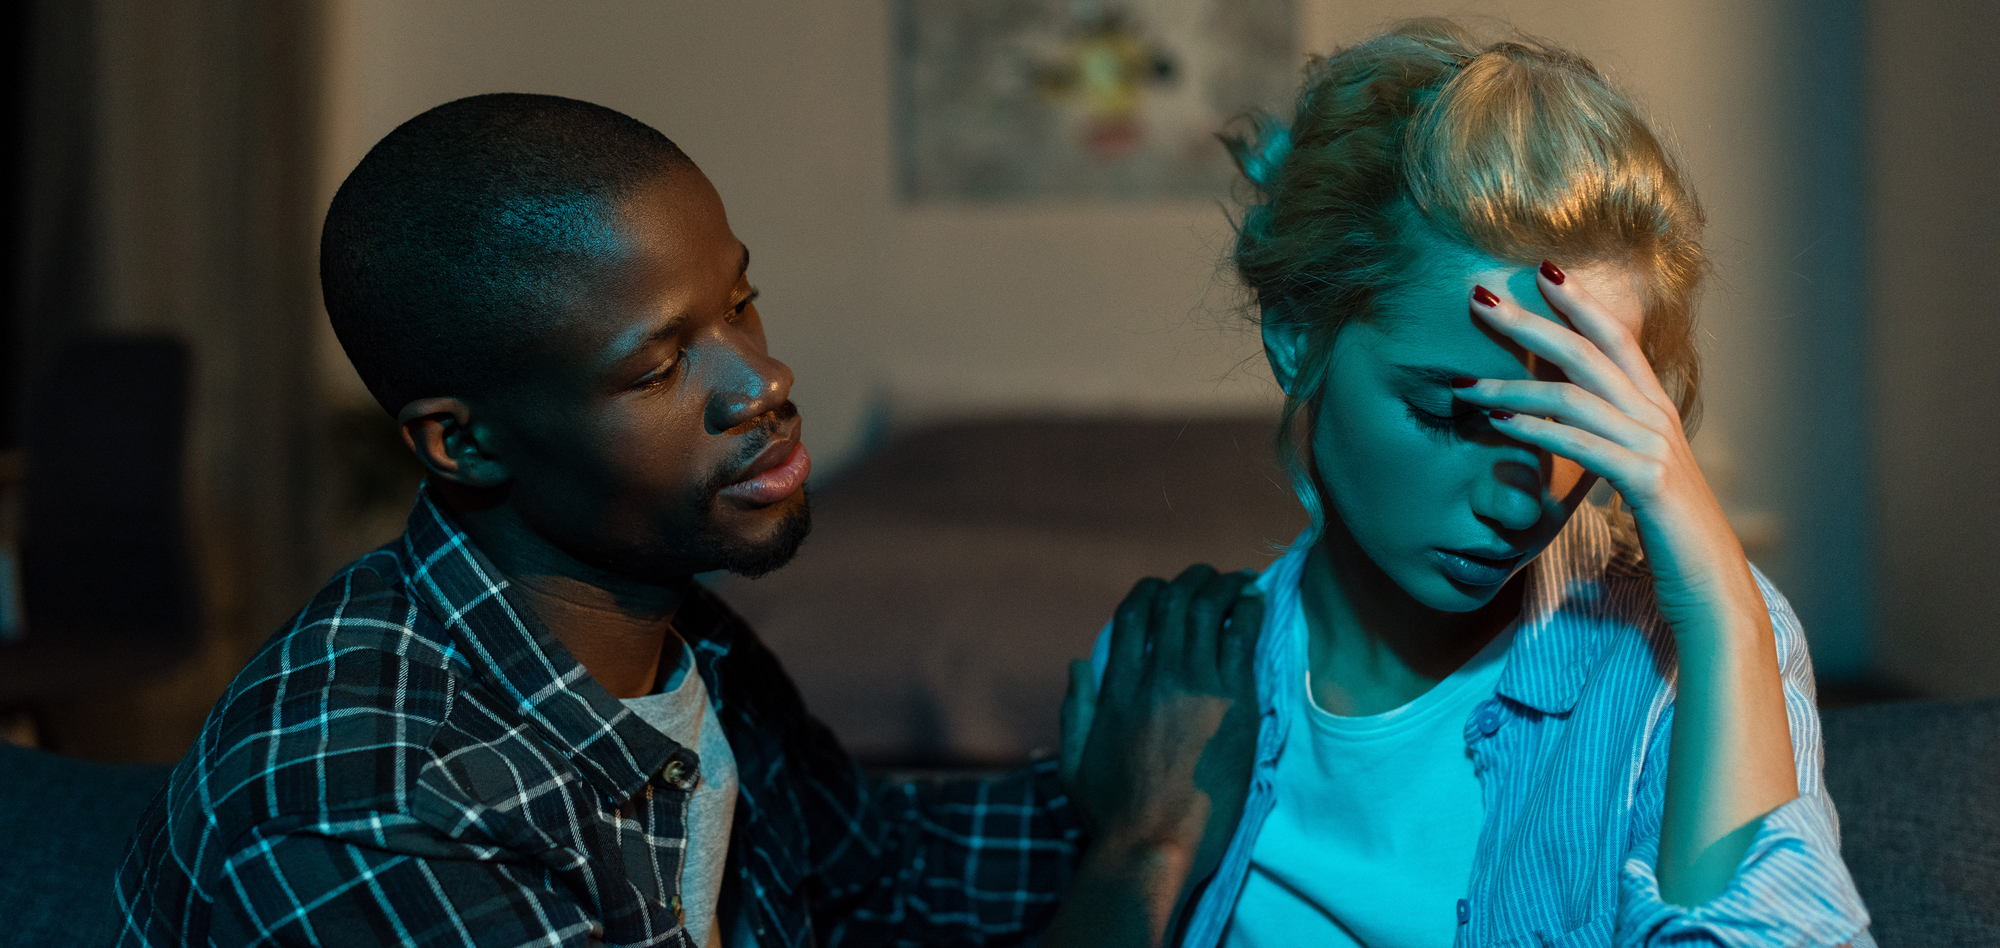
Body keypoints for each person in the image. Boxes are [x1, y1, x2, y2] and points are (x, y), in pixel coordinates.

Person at [114, 94, 1262, 947]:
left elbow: (881, 877)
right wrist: (1141, 853)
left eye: (741, 302)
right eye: (661, 366)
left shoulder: (679, 643)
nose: (761, 379)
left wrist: (1122, 771)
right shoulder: (376, 806)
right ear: (465, 442)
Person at [1067, 20, 1873, 947]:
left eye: (1576, 419)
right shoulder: (1175, 686)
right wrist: (1141, 848)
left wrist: (1726, 616)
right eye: (1453, 413)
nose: (1522, 497)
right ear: (1297, 335)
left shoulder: (1686, 655)